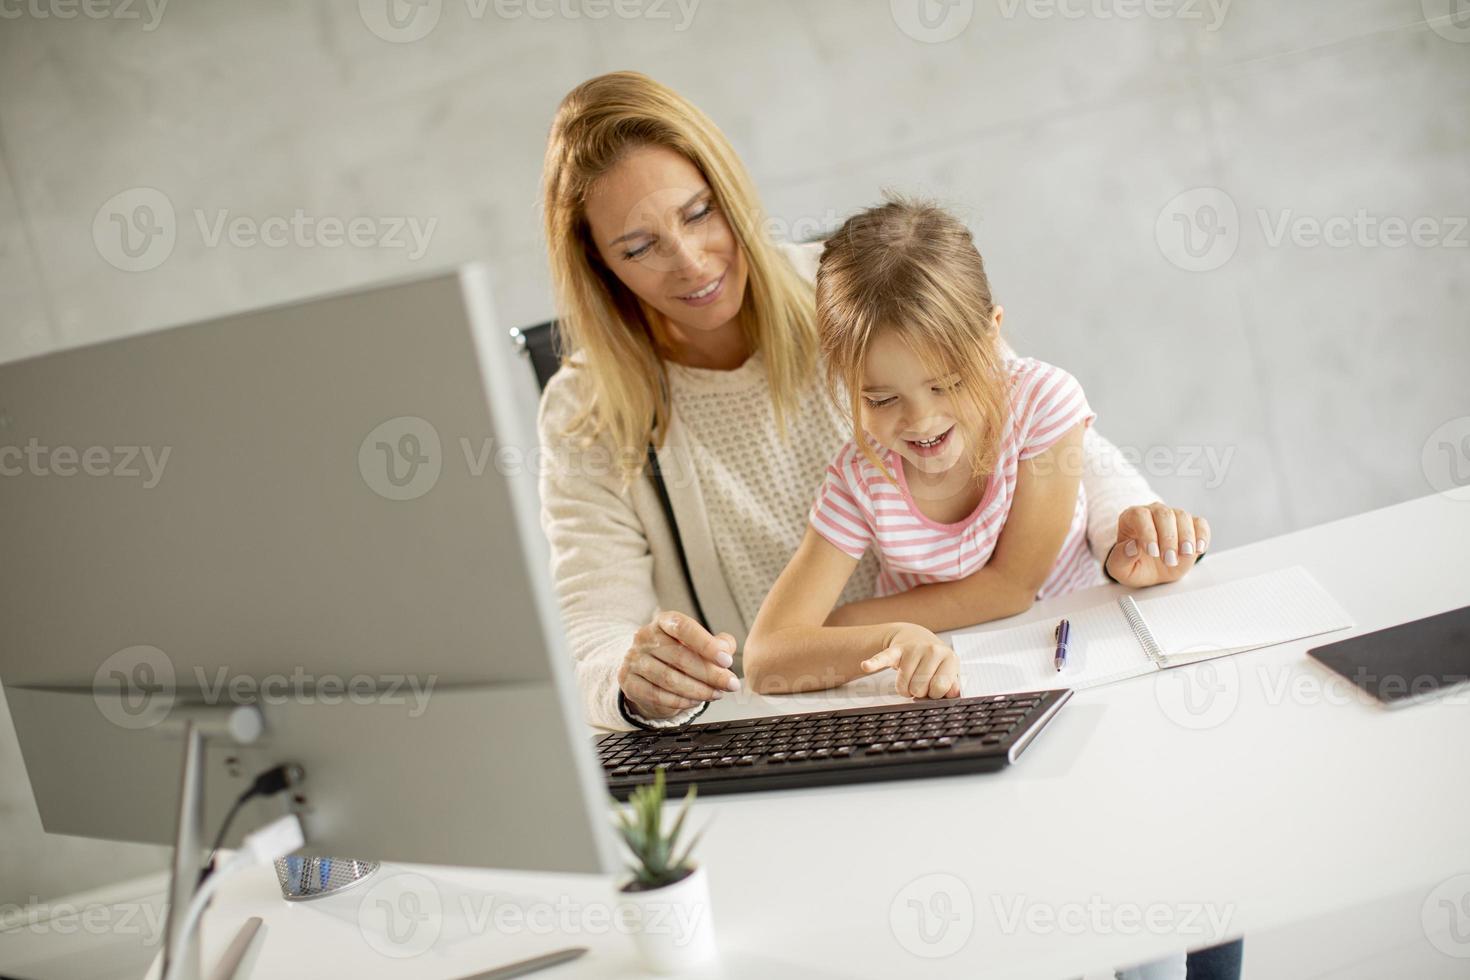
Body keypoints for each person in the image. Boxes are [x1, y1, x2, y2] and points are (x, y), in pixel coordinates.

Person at [537, 71, 1209, 733]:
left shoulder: (844, 294)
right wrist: (629, 682)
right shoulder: (583, 411)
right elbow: (592, 628)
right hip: (780, 714)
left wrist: (1125, 527)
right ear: (600, 265)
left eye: (699, 212)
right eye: (639, 247)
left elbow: (1036, 425)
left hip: (967, 666)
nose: (690, 262)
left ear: (729, 192)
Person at [745, 196, 1161, 696]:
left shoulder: (1041, 404)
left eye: (947, 384)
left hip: (1085, 664)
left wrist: (851, 620)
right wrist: (893, 637)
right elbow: (765, 659)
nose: (921, 421)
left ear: (991, 340)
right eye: (880, 398)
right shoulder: (860, 477)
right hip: (952, 695)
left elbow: (1012, 587)